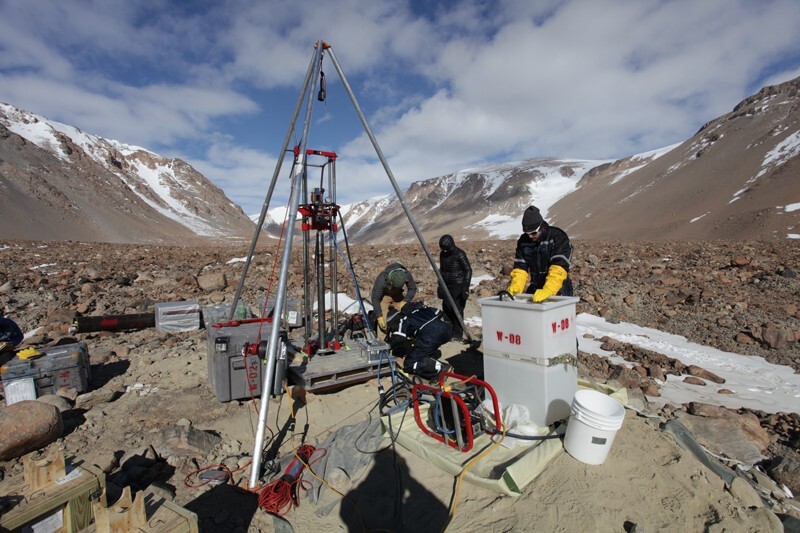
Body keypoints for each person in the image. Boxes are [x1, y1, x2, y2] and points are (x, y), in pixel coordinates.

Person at [506, 205, 573, 301]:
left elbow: (559, 267)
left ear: (541, 227)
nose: (530, 236)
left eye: (533, 233)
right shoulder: (523, 241)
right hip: (536, 285)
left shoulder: (557, 237)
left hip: (559, 286)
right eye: (527, 233)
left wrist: (549, 289)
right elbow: (520, 268)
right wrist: (516, 285)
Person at [385, 300, 451, 380]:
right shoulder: (421, 310)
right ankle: (431, 360)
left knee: (409, 364)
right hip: (447, 331)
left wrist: (387, 347)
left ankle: (440, 369)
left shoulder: (402, 321)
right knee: (421, 348)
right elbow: (440, 313)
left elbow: (399, 338)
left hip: (430, 337)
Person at [437, 235, 472, 341]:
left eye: (447, 248)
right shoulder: (442, 254)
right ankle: (449, 331)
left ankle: (457, 334)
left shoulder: (459, 254)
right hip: (446, 284)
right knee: (447, 309)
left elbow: (468, 270)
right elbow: (442, 270)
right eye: (443, 249)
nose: (445, 251)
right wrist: (440, 286)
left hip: (458, 285)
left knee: (457, 309)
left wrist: (465, 287)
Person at [370, 263, 417, 331]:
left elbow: (412, 289)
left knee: (404, 316)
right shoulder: (382, 279)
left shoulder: (406, 275)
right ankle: (382, 340)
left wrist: (405, 301)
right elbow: (375, 298)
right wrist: (379, 316)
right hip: (384, 297)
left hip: (398, 295)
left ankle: (400, 335)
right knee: (384, 321)